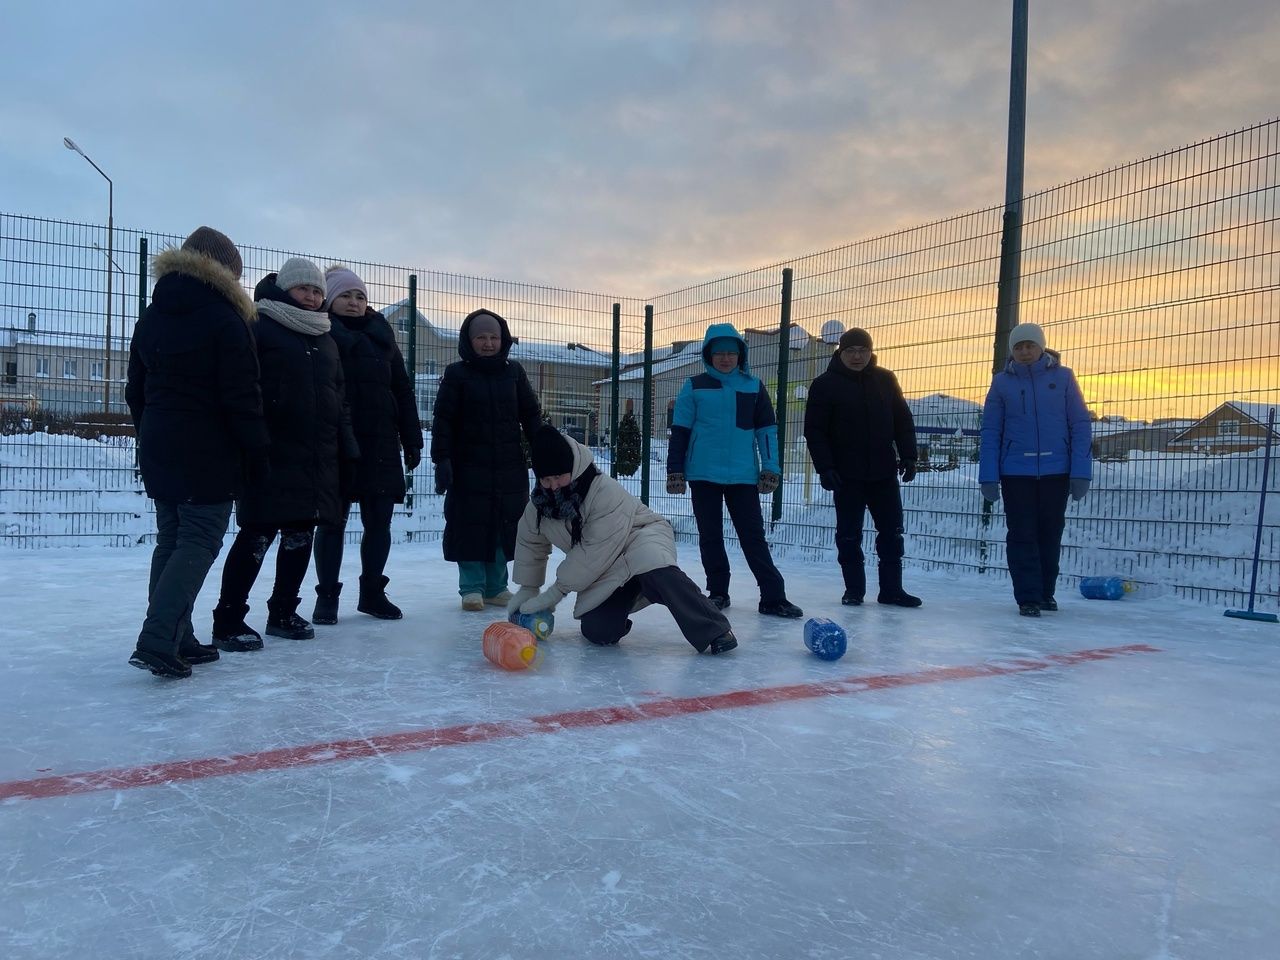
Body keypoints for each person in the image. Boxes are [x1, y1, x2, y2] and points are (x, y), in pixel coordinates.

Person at [125, 227, 269, 678]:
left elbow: (136, 390)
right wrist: (256, 453)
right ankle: (158, 637)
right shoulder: (227, 319)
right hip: (208, 450)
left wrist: (151, 433)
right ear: (226, 272)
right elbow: (242, 397)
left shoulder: (152, 315)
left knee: (172, 538)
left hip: (160, 442)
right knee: (199, 539)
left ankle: (178, 635)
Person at [211, 258, 358, 649]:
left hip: (316, 455)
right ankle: (228, 617)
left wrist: (348, 448)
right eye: (303, 289)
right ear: (285, 289)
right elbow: (245, 386)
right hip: (271, 451)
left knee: (300, 534)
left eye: (316, 291)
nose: (311, 297)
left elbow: (339, 398)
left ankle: (283, 611)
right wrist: (252, 439)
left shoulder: (325, 337)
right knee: (256, 535)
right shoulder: (259, 326)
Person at [510, 424, 737, 654]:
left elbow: (591, 553)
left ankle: (715, 630)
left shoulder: (602, 491)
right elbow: (530, 543)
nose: (553, 486)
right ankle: (632, 592)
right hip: (606, 567)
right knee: (598, 631)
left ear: (571, 467)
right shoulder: (539, 506)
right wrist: (528, 589)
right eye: (545, 480)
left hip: (639, 538)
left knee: (658, 570)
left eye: (558, 476)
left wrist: (554, 594)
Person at [665, 322, 803, 619]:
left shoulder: (753, 387)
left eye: (731, 353)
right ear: (708, 355)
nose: (725, 359)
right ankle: (718, 592)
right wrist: (675, 470)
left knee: (753, 535)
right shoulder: (694, 385)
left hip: (743, 475)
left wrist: (771, 467)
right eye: (719, 354)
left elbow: (766, 431)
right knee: (710, 535)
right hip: (703, 474)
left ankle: (773, 596)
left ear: (741, 355)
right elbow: (680, 432)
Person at [311, 265, 423, 624]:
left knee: (380, 522)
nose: (354, 302)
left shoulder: (382, 336)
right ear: (329, 299)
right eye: (345, 295)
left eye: (360, 296)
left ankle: (372, 592)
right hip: (335, 443)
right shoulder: (320, 333)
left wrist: (412, 439)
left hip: (380, 442)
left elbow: (402, 390)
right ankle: (326, 596)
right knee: (331, 522)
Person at [431, 309, 542, 610]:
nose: (488, 343)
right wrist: (442, 459)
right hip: (468, 466)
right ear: (469, 340)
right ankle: (471, 588)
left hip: (508, 465)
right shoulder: (457, 374)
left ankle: (496, 586)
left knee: (504, 525)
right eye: (481, 337)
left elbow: (530, 414)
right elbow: (443, 420)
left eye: (494, 337)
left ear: (503, 339)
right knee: (470, 524)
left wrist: (544, 448)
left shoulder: (514, 372)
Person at [979, 323, 1092, 617]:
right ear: (1012, 352)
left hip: (1057, 470)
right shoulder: (1002, 383)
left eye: (1030, 345)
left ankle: (1045, 593)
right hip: (1016, 471)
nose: (1025, 351)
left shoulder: (1064, 378)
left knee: (1050, 533)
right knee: (1022, 533)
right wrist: (988, 475)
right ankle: (1027, 596)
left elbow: (1079, 424)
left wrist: (1081, 471)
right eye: (1018, 347)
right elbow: (991, 430)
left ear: (1041, 347)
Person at [803, 327, 921, 607]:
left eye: (863, 351)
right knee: (848, 534)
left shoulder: (885, 380)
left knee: (892, 532)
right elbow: (815, 431)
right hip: (846, 475)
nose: (857, 356)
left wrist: (909, 456)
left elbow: (902, 420)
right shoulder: (824, 385)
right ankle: (854, 590)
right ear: (840, 352)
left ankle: (892, 590)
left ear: (871, 352)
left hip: (883, 472)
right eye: (851, 351)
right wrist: (825, 467)